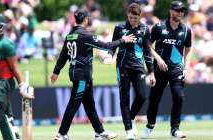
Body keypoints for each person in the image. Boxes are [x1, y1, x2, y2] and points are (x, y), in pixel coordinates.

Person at [50, 9, 135, 140]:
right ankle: (62, 134)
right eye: (88, 18)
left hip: (78, 74)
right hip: (82, 76)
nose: (89, 19)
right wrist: (122, 40)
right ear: (84, 19)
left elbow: (63, 56)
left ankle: (100, 132)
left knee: (90, 105)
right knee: (73, 104)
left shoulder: (70, 35)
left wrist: (56, 71)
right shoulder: (86, 35)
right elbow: (106, 45)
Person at [142, 1, 192, 139]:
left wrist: (185, 67)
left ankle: (174, 129)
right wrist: (158, 59)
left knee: (179, 97)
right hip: (159, 69)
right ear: (171, 11)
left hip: (177, 69)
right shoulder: (159, 27)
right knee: (154, 99)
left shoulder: (187, 30)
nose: (180, 13)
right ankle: (150, 125)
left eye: (182, 11)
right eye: (177, 10)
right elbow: (147, 46)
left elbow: (188, 50)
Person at [109, 3, 155, 140]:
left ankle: (131, 117)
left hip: (138, 67)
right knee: (124, 99)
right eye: (130, 17)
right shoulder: (119, 28)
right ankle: (129, 130)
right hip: (122, 67)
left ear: (140, 16)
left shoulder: (145, 29)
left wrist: (151, 72)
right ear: (127, 15)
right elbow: (113, 46)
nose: (132, 20)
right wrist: (108, 55)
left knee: (142, 96)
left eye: (135, 18)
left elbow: (147, 51)